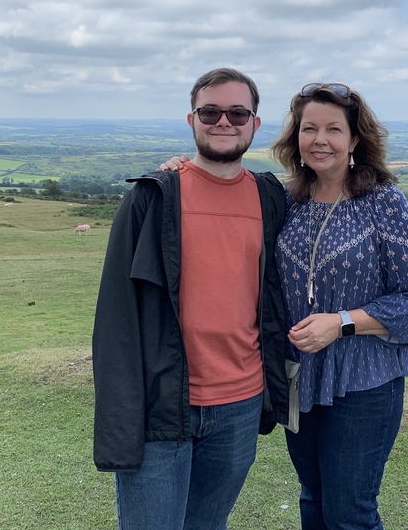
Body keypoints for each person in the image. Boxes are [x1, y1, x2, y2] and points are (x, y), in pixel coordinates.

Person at [92, 68, 289, 530]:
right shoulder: (153, 197)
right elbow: (117, 316)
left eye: (237, 113)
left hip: (241, 405)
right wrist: (121, 415)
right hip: (161, 405)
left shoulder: (271, 197)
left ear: (255, 123)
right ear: (191, 119)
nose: (224, 122)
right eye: (210, 112)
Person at [270, 82, 408, 530]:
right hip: (301, 377)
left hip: (364, 381)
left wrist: (340, 323)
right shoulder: (287, 201)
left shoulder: (384, 202)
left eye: (333, 129)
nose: (319, 139)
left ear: (355, 139)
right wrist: (179, 170)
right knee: (313, 500)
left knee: (349, 514)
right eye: (309, 128)